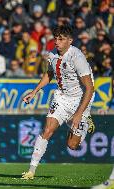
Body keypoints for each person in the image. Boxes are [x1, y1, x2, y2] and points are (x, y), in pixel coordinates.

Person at [21, 24, 95, 180]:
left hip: (80, 99)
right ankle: (31, 170)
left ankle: (85, 122)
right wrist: (34, 92)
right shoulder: (52, 54)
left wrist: (79, 114)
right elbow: (49, 74)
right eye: (56, 38)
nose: (57, 42)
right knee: (47, 130)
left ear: (70, 40)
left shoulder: (77, 57)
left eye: (61, 39)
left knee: (72, 146)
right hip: (61, 97)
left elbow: (90, 88)